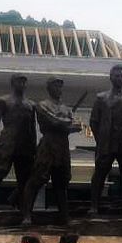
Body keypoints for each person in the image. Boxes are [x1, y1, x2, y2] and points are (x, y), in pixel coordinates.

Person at [23, 78, 82, 225]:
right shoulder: (42, 105)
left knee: (61, 182)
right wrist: (66, 123)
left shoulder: (66, 109)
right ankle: (27, 215)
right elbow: (53, 121)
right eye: (55, 86)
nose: (58, 89)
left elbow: (77, 126)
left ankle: (64, 216)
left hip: (63, 146)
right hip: (48, 145)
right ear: (49, 88)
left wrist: (64, 123)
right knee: (37, 179)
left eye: (60, 86)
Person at [0, 74, 38, 213]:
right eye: (20, 81)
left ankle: (22, 208)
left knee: (25, 179)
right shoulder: (4, 101)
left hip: (25, 145)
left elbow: (32, 128)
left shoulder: (31, 105)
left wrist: (34, 148)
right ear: (13, 83)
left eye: (25, 82)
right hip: (7, 142)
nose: (23, 84)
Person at [87, 65, 122, 214]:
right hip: (106, 144)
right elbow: (94, 122)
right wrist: (100, 141)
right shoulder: (101, 98)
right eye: (116, 76)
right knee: (99, 176)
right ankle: (94, 206)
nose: (119, 78)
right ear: (111, 77)